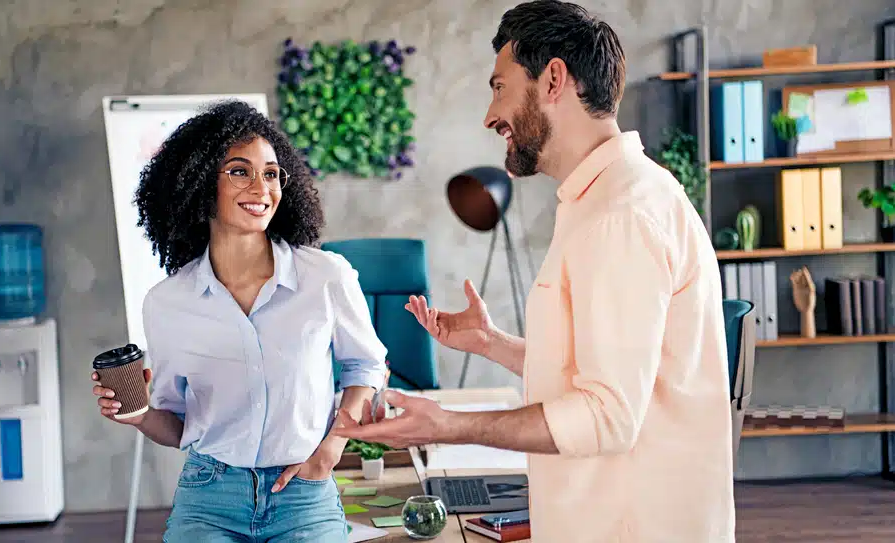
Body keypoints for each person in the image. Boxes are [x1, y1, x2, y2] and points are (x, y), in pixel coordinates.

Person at [332, 1, 736, 541]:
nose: (490, 114)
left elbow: (607, 415)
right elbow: (610, 370)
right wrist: (493, 343)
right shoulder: (605, 200)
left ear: (553, 79)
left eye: (499, 87)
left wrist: (446, 426)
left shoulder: (620, 216)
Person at [91, 100, 387, 542]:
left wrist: (330, 451)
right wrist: (136, 415)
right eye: (240, 171)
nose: (261, 187)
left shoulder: (325, 277)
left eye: (271, 173)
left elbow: (366, 368)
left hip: (303, 493)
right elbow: (177, 424)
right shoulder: (168, 303)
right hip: (209, 498)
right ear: (199, 183)